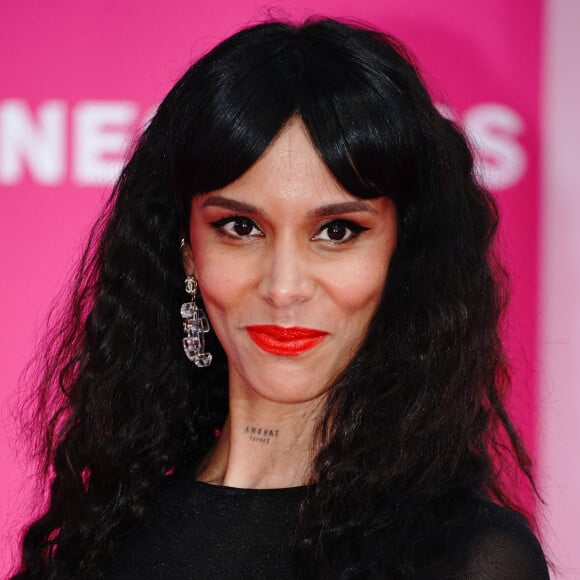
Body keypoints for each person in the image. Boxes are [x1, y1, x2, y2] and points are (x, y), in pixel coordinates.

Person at [13, 17, 549, 580]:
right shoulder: (95, 548)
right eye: (241, 227)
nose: (284, 287)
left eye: (337, 231)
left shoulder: (469, 559)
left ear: (401, 253)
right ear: (187, 249)